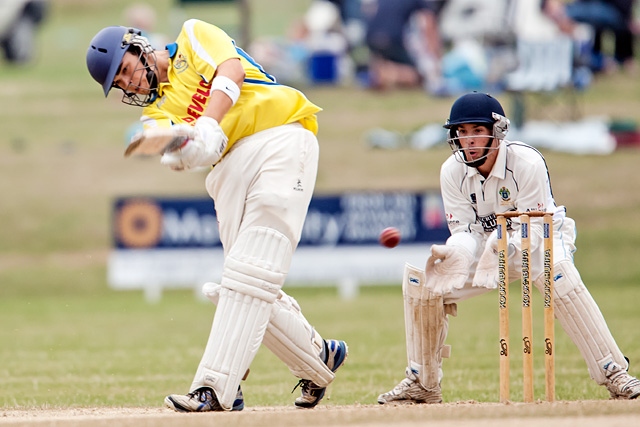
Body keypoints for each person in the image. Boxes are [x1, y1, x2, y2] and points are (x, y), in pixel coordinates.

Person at [85, 20, 348, 412]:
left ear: (137, 45)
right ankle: (319, 355)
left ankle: (216, 389)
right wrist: (188, 149)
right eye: (121, 85)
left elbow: (232, 71)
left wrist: (207, 123)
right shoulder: (154, 116)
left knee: (250, 272)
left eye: (125, 71)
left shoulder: (192, 36)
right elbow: (185, 153)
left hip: (280, 136)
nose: (130, 84)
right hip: (227, 170)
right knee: (242, 282)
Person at [377, 91, 640, 404]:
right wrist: (458, 253)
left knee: (558, 273)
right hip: (487, 248)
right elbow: (465, 230)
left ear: (498, 131)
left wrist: (500, 249)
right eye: (462, 133)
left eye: (477, 131)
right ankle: (423, 382)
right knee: (423, 282)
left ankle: (614, 372)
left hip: (542, 238)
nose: (469, 140)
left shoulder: (526, 162)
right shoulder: (451, 171)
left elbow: (537, 227)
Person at [364, 0, 448, 94]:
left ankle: (380, 69)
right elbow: (429, 24)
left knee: (385, 54)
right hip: (393, 38)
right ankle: (389, 73)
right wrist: (436, 56)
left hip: (370, 37)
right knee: (420, 75)